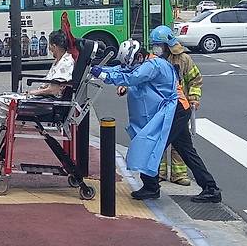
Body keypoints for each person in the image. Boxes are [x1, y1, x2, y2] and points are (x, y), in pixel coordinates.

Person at [90, 38, 221, 203]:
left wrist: (103, 75)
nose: (130, 66)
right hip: (176, 110)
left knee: (151, 146)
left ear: (138, 57)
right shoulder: (147, 62)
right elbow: (124, 70)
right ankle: (210, 188)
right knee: (186, 151)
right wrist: (103, 70)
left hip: (175, 110)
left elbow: (131, 77)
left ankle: (152, 187)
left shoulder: (153, 66)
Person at [0, 30, 74, 155]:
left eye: (50, 46)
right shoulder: (61, 61)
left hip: (46, 103)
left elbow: (54, 89)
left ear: (54, 46)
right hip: (44, 100)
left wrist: (34, 92)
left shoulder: (65, 63)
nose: (49, 49)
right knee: (2, 97)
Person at [150, 25, 203, 187]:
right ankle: (158, 172)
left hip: (179, 107)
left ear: (167, 45)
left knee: (179, 143)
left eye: (159, 45)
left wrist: (193, 97)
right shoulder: (153, 60)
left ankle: (179, 174)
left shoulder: (183, 59)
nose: (156, 49)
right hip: (158, 107)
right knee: (158, 141)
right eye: (155, 45)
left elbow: (195, 79)